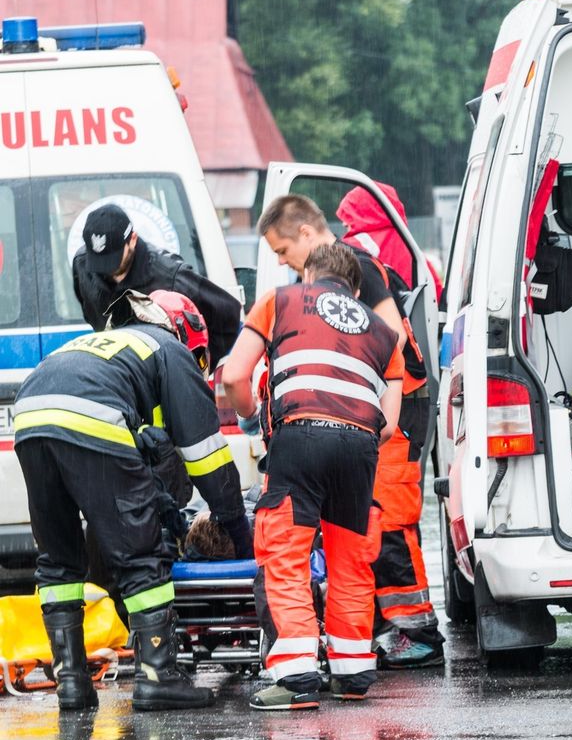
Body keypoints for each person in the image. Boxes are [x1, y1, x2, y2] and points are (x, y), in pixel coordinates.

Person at [14, 290, 251, 712]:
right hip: (89, 413)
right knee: (141, 554)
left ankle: (71, 683)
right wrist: (236, 526)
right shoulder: (170, 350)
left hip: (30, 414)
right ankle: (160, 678)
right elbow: (207, 455)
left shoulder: (110, 343)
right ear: (183, 331)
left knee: (59, 558)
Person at [260, 192, 444, 668]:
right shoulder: (348, 273)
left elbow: (391, 338)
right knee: (369, 519)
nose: (284, 263)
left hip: (391, 406)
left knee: (390, 516)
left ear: (305, 233)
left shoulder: (359, 267)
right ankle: (388, 629)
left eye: (283, 251)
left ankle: (416, 630)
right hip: (372, 404)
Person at [222, 242, 403, 711]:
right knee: (351, 562)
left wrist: (252, 416)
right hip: (360, 444)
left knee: (285, 556)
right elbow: (390, 421)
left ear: (308, 276)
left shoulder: (279, 301)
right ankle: (352, 672)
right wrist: (353, 444)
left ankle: (297, 679)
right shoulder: (385, 332)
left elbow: (234, 376)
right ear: (356, 289)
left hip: (298, 436)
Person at [72, 203, 243, 366]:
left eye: (112, 259)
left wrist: (194, 368)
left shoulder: (170, 277)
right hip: (116, 377)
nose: (106, 269)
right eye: (99, 261)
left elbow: (228, 317)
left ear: (132, 239)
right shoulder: (82, 265)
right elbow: (91, 313)